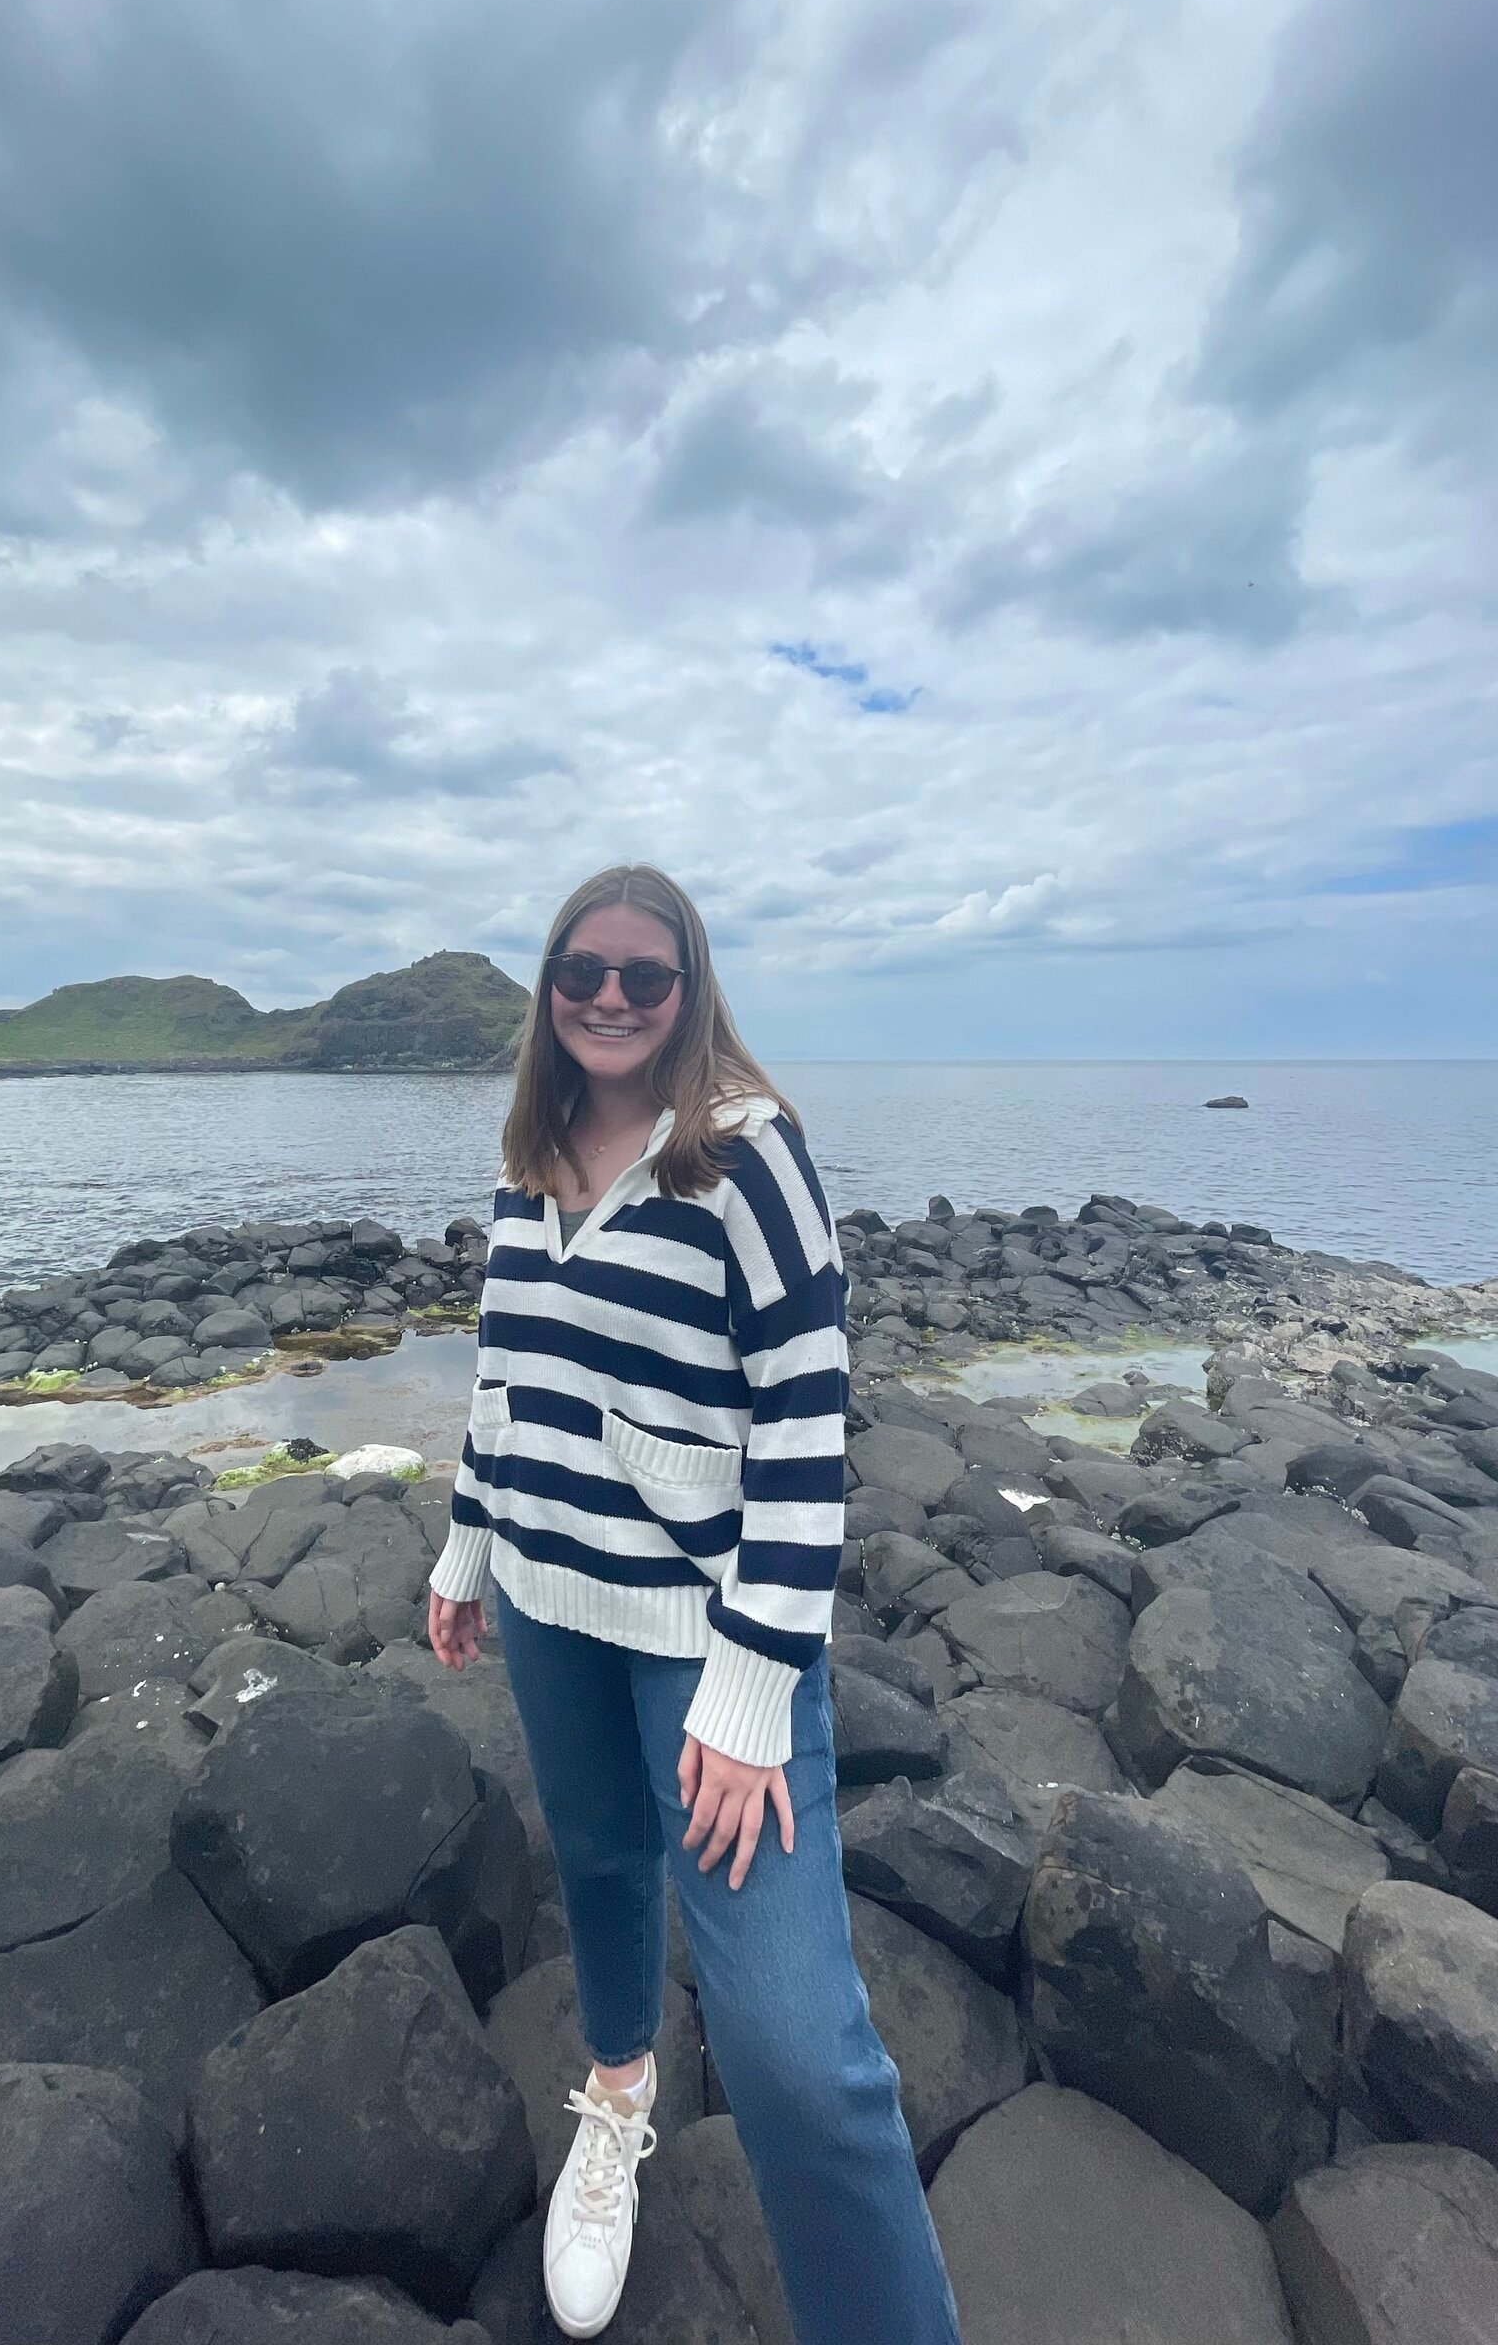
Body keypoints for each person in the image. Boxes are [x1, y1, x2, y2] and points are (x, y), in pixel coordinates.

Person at [426, 862, 963, 2345]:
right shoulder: (531, 1148)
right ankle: (616, 2099)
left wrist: (743, 1696)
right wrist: (467, 1549)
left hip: (705, 1639)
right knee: (597, 1860)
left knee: (798, 2050)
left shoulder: (744, 1153)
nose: (607, 998)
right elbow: (505, 1372)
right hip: (545, 1591)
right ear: (549, 987)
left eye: (642, 977)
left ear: (689, 989)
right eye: (580, 972)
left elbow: (804, 1425)